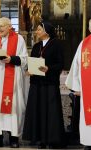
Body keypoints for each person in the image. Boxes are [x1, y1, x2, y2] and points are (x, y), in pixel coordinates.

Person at [0, 17, 28, 148]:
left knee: (13, 108)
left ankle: (13, 139)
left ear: (9, 26)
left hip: (12, 78)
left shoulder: (19, 39)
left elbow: (25, 59)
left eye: (2, 26)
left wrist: (11, 59)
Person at [22, 21, 66, 149]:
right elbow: (32, 63)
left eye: (39, 29)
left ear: (46, 31)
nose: (37, 32)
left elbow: (60, 64)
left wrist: (49, 68)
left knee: (51, 113)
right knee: (38, 111)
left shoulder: (56, 45)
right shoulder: (36, 46)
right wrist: (29, 70)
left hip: (50, 84)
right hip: (36, 84)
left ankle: (52, 140)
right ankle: (40, 139)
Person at [65, 19, 91, 150]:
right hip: (87, 90)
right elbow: (76, 67)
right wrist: (77, 87)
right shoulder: (84, 44)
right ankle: (88, 142)